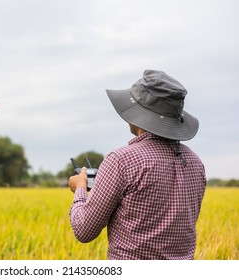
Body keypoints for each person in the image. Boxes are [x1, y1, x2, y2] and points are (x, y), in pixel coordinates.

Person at [68, 70, 206, 260]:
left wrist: (80, 189)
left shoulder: (121, 160)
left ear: (140, 115)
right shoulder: (196, 162)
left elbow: (84, 230)